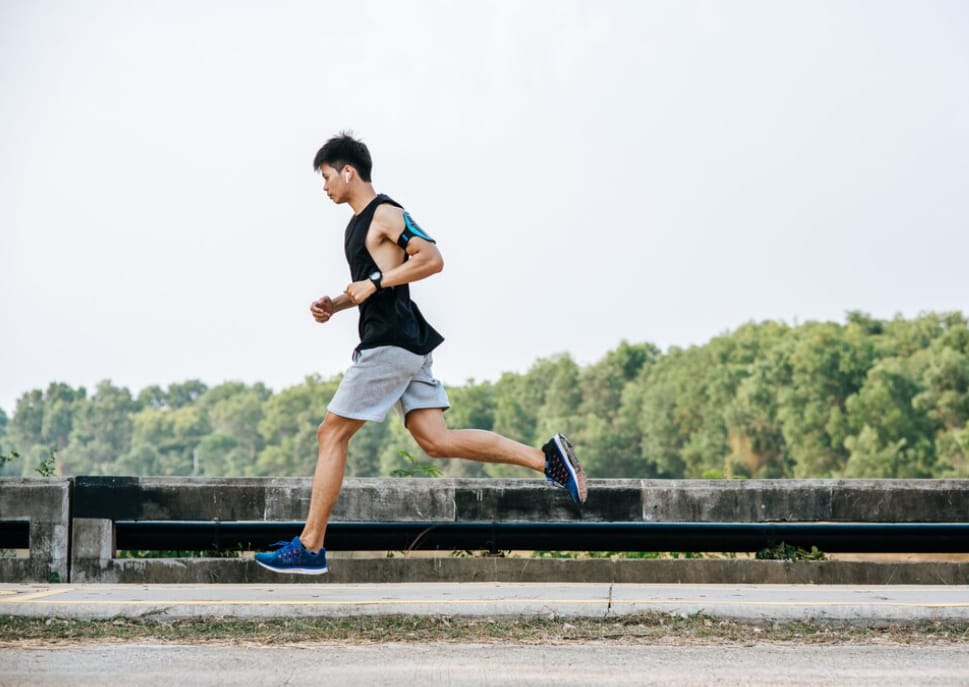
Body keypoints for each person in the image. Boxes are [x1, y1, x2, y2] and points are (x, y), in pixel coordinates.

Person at [255, 132, 587, 574]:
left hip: (390, 342)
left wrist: (372, 285)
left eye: (327, 176)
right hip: (405, 341)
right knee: (436, 441)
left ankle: (310, 546)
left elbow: (431, 259)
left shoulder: (386, 213)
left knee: (330, 434)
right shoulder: (357, 224)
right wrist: (337, 304)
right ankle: (547, 460)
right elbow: (383, 278)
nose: (324, 186)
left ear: (348, 171)